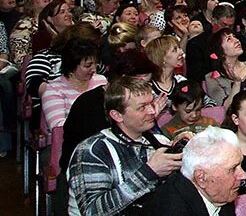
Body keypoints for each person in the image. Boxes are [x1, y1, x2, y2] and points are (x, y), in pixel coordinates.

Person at [67, 76, 182, 216]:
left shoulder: (158, 142)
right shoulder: (91, 151)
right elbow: (92, 212)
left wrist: (192, 150)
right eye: (142, 107)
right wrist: (149, 173)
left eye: (151, 103)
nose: (152, 111)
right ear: (117, 115)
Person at [147, 126, 245, 215]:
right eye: (233, 169)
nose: (243, 175)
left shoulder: (220, 195)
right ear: (201, 178)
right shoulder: (171, 209)